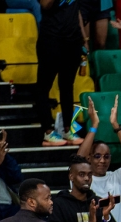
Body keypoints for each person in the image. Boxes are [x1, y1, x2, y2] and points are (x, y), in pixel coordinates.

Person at [28, 0, 84, 146]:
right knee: (43, 87)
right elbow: (45, 5)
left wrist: (84, 37)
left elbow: (76, 10)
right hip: (51, 40)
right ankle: (47, 132)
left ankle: (68, 129)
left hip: (73, 40)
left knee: (67, 86)